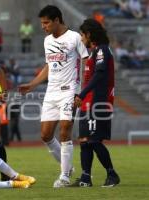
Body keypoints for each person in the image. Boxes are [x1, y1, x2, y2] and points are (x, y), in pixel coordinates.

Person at [18, 5, 88, 187]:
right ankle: (68, 167)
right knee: (46, 135)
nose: (43, 26)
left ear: (57, 20)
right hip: (52, 91)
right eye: (42, 23)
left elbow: (86, 64)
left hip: (70, 90)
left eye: (46, 22)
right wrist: (33, 84)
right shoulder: (47, 40)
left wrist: (82, 92)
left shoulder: (74, 38)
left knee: (65, 130)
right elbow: (49, 66)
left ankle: (64, 176)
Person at [71, 19, 120, 187]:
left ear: (89, 34)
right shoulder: (94, 52)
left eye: (82, 34)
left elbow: (99, 76)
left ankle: (112, 174)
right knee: (84, 141)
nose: (81, 38)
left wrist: (81, 94)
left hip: (98, 101)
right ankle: (85, 178)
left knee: (94, 140)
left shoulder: (102, 50)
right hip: (88, 102)